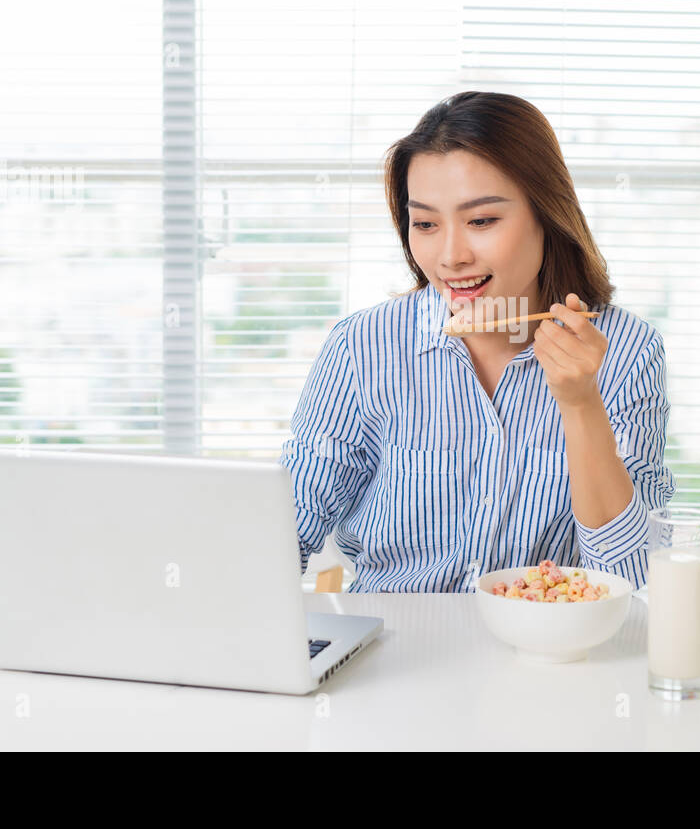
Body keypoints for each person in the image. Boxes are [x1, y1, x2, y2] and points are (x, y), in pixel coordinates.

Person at [278, 91, 675, 591]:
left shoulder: (627, 350)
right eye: (425, 223)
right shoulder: (362, 347)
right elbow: (283, 530)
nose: (450, 256)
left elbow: (629, 576)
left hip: (546, 652)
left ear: (546, 214)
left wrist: (581, 405)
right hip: (394, 645)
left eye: (481, 221)